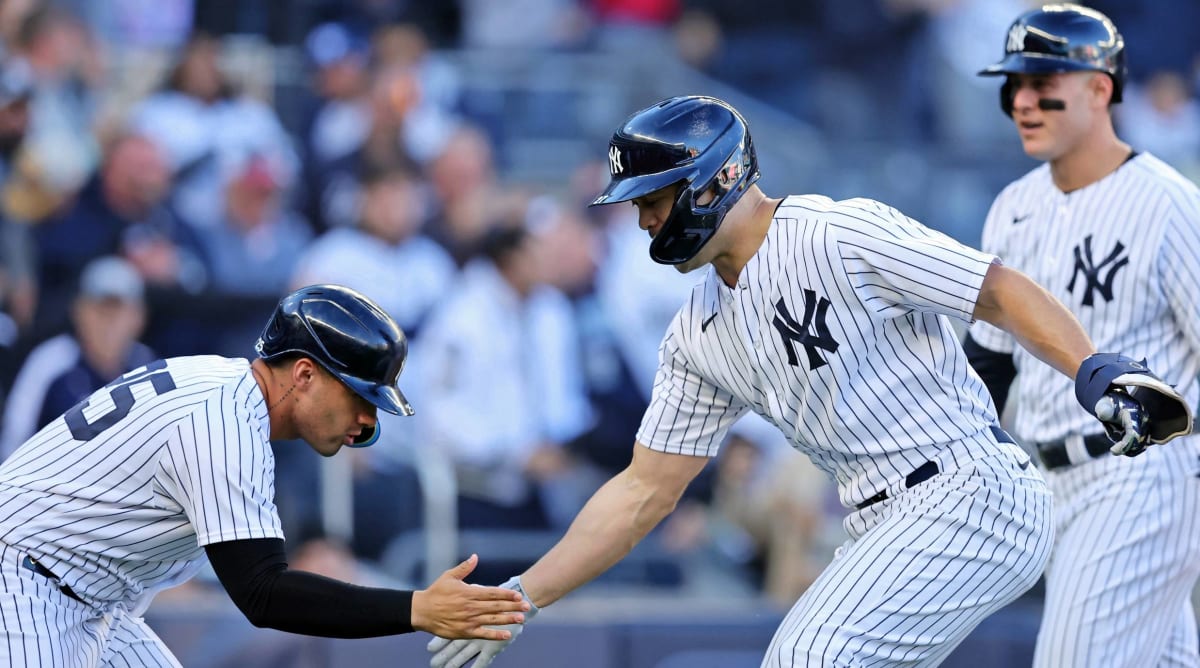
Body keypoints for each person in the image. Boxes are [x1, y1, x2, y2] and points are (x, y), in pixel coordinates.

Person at [425, 95, 1192, 668]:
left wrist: (1092, 368)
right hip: (874, 520)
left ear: (716, 179)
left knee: (809, 657)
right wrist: (523, 595)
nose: (642, 223)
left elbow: (994, 288)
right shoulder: (696, 332)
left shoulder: (836, 231)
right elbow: (641, 492)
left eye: (653, 201)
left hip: (970, 489)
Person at [0, 284, 529, 667]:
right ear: (303, 374)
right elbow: (263, 593)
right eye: (360, 397)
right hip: (25, 584)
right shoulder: (222, 420)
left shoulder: (226, 391)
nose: (368, 420)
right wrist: (417, 608)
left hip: (78, 594)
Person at [965, 5, 1200, 667]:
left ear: (1100, 88)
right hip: (1049, 483)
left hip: (1143, 477)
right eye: (1013, 85)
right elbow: (989, 364)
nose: (1022, 101)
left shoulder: (1169, 204)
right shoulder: (1011, 206)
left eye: (1043, 83)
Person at [0, 255, 156, 459]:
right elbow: (15, 439)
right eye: (100, 310)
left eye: (119, 312)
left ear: (139, 317)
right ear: (79, 310)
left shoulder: (148, 365)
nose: (109, 323)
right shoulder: (51, 361)